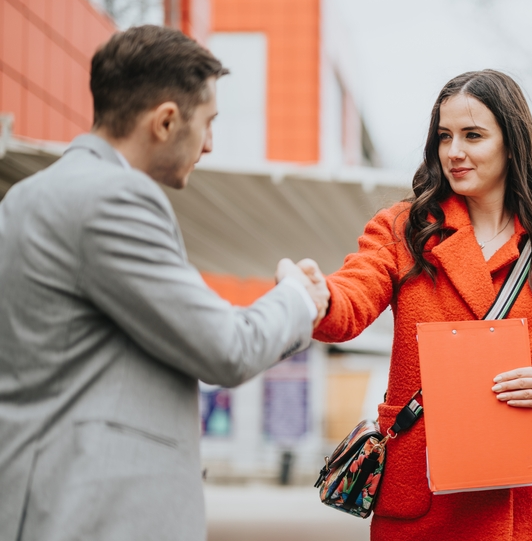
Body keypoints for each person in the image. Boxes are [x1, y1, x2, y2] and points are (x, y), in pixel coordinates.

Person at [0, 26, 329, 541]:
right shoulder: (115, 199)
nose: (212, 143)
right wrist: (296, 298)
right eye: (209, 122)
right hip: (93, 516)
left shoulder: (25, 196)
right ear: (166, 120)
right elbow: (226, 348)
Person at [312, 69, 532, 540]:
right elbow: (352, 297)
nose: (454, 152)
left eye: (473, 135)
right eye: (444, 136)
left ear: (512, 142)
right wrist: (317, 297)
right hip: (428, 506)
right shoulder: (404, 228)